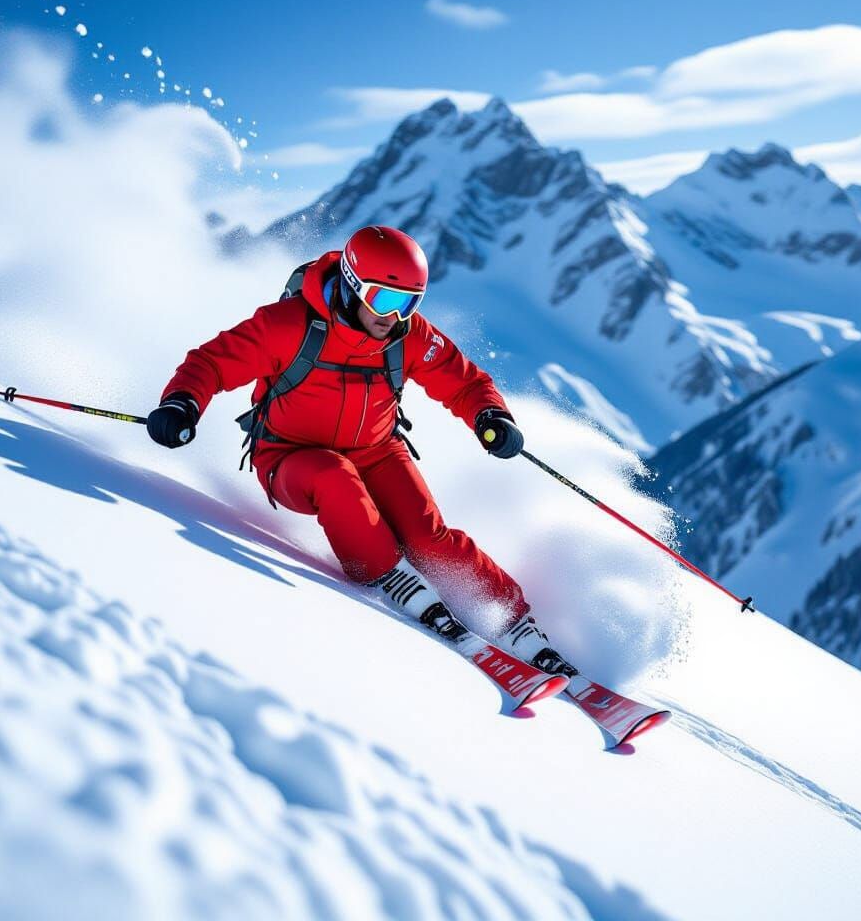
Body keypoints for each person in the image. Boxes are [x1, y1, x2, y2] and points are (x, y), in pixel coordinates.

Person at [147, 225, 575, 676]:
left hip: (376, 450)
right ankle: (389, 574)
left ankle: (514, 621)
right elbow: (212, 362)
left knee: (429, 538)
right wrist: (182, 404)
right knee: (334, 476)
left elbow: (464, 380)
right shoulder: (287, 326)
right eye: (385, 300)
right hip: (289, 456)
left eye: (409, 303)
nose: (394, 316)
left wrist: (490, 416)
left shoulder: (408, 335)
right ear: (352, 284)